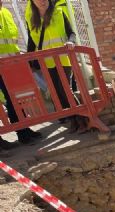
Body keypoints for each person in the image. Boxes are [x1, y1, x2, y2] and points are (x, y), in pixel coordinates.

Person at [25, 0, 84, 131]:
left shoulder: (59, 13)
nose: (42, 1)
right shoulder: (31, 19)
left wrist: (70, 41)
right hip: (47, 62)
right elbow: (31, 42)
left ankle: (82, 117)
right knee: (56, 92)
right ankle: (73, 119)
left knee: (65, 89)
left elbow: (71, 33)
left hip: (62, 59)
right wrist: (29, 63)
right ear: (32, 2)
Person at [0, 0, 41, 154]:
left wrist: (17, 58)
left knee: (16, 100)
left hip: (10, 65)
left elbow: (12, 41)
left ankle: (23, 131)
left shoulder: (6, 13)